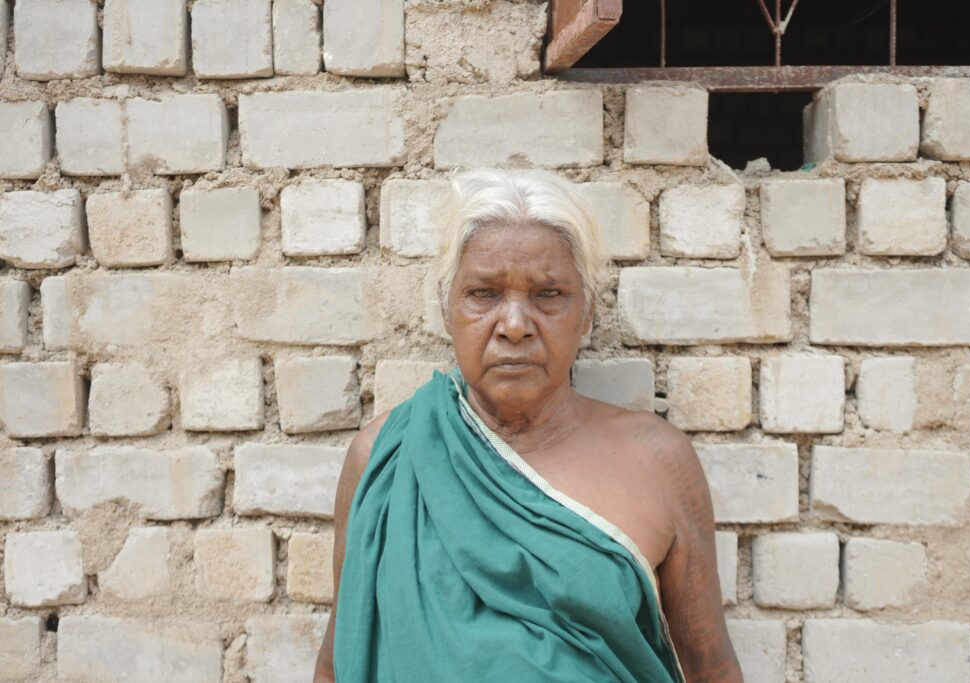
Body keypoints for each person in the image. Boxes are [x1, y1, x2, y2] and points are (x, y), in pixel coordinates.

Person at [313, 168, 742, 682]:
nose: (514, 326)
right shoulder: (387, 454)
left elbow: (709, 669)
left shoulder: (657, 460)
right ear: (447, 309)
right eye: (483, 293)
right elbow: (340, 661)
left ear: (586, 313)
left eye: (548, 294)